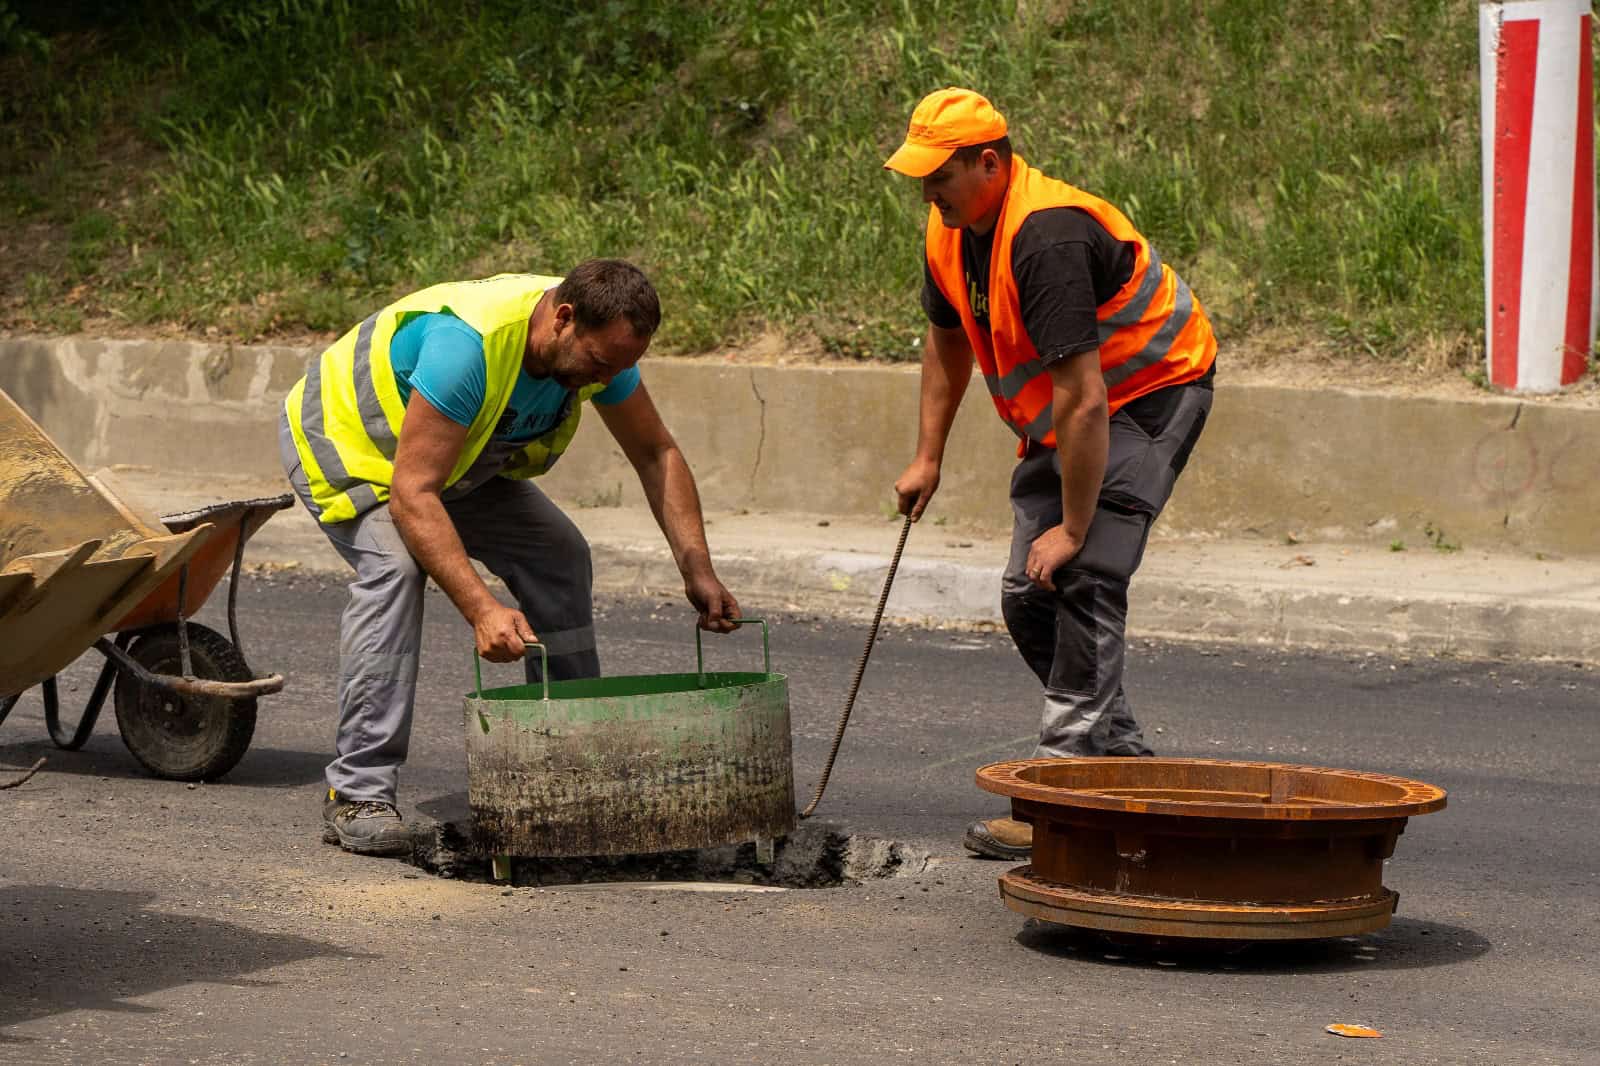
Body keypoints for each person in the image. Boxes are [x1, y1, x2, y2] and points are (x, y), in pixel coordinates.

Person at [279, 259, 740, 855]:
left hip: (451, 458)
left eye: (621, 368)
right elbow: (413, 496)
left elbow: (657, 454)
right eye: (600, 365)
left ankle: (570, 766)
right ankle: (359, 791)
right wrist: (481, 608)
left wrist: (696, 567)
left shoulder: (602, 350)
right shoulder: (466, 350)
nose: (606, 380)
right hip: (350, 444)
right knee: (395, 569)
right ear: (564, 319)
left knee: (560, 555)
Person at [884, 89, 1217, 860]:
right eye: (920, 177)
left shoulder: (1048, 239)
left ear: (990, 163)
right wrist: (928, 454)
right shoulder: (953, 227)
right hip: (1067, 413)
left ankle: (1061, 788)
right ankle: (1123, 764)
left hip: (1149, 393)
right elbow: (947, 344)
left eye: (940, 175)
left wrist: (1074, 527)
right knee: (1026, 596)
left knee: (1087, 573)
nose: (926, 192)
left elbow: (1086, 396)